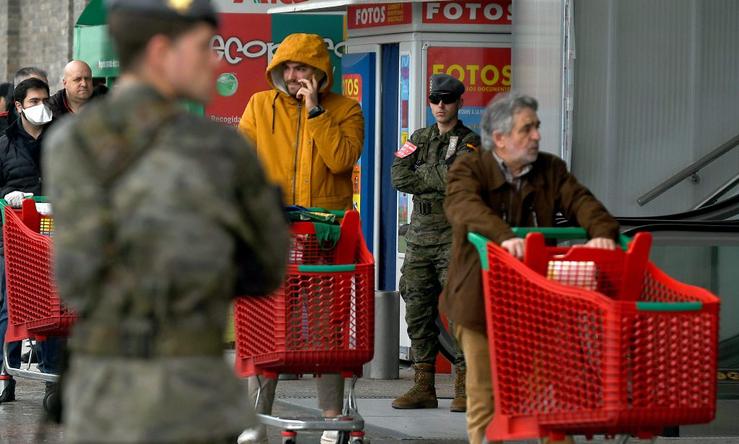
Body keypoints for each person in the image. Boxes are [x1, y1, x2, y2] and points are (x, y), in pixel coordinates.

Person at [43, 0, 289, 442]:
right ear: (160, 51)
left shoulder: (74, 143)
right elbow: (268, 267)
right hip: (195, 397)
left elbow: (77, 277)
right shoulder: (220, 149)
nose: (216, 61)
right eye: (203, 47)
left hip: (105, 399)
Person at [442, 91, 620, 444]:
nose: (537, 135)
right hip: (477, 300)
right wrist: (503, 236)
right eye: (528, 129)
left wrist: (602, 235)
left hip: (534, 301)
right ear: (500, 138)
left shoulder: (550, 169)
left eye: (537, 127)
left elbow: (583, 203)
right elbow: (462, 206)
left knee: (551, 396)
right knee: (485, 396)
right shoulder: (469, 168)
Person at [236, 32, 364, 444]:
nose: (293, 76)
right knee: (264, 326)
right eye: (287, 68)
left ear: (320, 72)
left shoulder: (346, 110)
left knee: (326, 330)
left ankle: (330, 418)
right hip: (274, 236)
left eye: (301, 68)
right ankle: (255, 420)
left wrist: (315, 112)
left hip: (325, 239)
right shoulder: (260, 105)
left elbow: (342, 159)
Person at [390, 73, 478, 412]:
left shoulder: (470, 142)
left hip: (454, 234)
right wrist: (437, 175)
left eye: (448, 99)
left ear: (459, 102)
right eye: (435, 100)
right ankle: (423, 385)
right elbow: (398, 176)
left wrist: (426, 176)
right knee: (415, 305)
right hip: (419, 234)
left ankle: (464, 386)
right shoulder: (418, 137)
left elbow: (455, 177)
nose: (441, 106)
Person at [0, 77, 54, 403]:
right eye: (34, 101)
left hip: (52, 235)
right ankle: (8, 373)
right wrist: (10, 196)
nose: (41, 106)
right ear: (19, 106)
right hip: (14, 238)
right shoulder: (4, 144)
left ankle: (52, 377)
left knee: (52, 309)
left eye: (45, 99)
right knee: (12, 306)